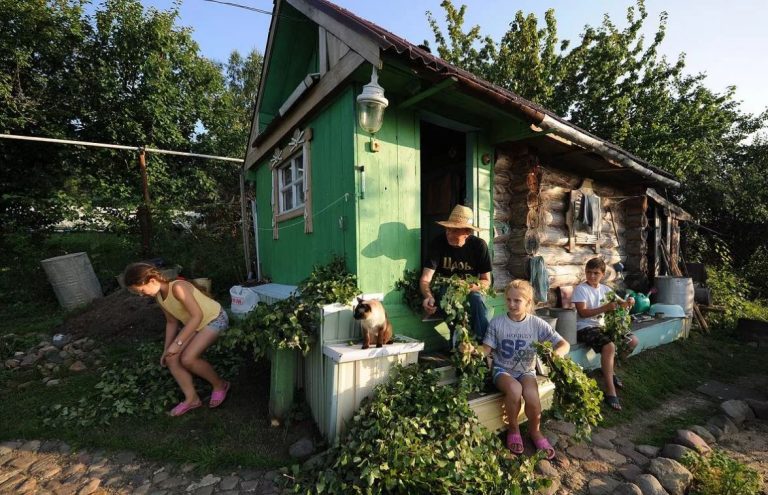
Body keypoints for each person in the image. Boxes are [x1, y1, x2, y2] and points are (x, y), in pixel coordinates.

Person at [124, 262, 230, 417]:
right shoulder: (160, 297)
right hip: (195, 325)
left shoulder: (178, 287)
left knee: (187, 359)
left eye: (141, 290)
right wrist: (167, 350)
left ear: (152, 281)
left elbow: (197, 316)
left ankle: (220, 385)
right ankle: (192, 398)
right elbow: (171, 323)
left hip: (214, 319)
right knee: (171, 359)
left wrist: (178, 343)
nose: (141, 295)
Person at [482, 280, 570, 459]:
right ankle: (513, 429)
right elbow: (486, 349)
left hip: (526, 371)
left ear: (528, 302)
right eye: (508, 300)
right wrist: (472, 349)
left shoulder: (536, 324)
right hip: (502, 370)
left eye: (517, 301)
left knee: (531, 395)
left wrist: (558, 354)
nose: (512, 304)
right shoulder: (497, 323)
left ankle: (535, 432)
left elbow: (563, 343)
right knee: (515, 389)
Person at [572, 257, 639, 411]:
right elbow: (582, 313)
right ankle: (610, 391)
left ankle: (610, 369)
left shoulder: (606, 289)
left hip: (603, 326)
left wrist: (629, 301)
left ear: (602, 274)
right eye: (589, 272)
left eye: (596, 273)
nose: (592, 276)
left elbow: (621, 304)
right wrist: (606, 308)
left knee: (632, 341)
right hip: (585, 328)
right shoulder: (581, 289)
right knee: (609, 346)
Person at [420, 204, 492, 344]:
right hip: (446, 289)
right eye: (448, 229)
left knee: (477, 299)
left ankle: (485, 347)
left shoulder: (479, 246)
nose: (449, 233)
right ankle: (457, 347)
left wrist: (467, 286)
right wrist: (428, 296)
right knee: (450, 300)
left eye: (454, 230)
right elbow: (425, 279)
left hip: (471, 289)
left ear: (467, 232)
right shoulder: (438, 243)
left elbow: (486, 281)